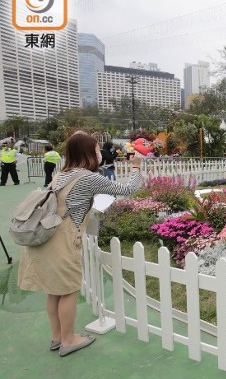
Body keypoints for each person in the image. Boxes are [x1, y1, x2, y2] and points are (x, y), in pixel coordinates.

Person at [18, 131, 143, 357]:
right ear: (87, 153)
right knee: (68, 290)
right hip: (63, 241)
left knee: (53, 291)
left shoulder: (61, 175)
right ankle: (69, 340)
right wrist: (136, 167)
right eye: (96, 150)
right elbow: (126, 190)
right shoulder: (87, 178)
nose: (99, 153)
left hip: (46, 237)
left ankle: (57, 337)